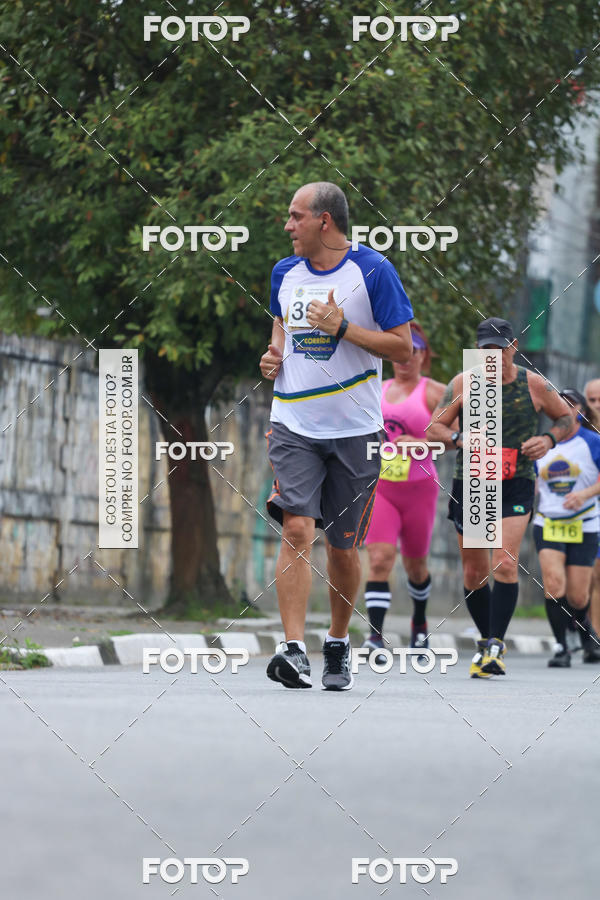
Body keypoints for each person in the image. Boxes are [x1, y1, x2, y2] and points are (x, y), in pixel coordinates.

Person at [259, 182, 414, 690]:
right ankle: (293, 649)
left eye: (295, 216)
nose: (288, 226)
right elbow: (280, 334)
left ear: (324, 222)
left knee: (343, 547)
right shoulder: (285, 272)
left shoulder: (373, 270)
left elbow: (403, 349)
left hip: (356, 430)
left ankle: (339, 642)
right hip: (294, 425)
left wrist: (344, 327)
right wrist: (272, 356)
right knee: (297, 529)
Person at [427, 317, 573, 678]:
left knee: (504, 563)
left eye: (501, 349)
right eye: (487, 350)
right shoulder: (465, 383)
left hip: (516, 481)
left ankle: (495, 643)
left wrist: (549, 440)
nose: (495, 357)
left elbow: (567, 418)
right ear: (479, 351)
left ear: (513, 347)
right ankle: (485, 638)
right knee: (475, 570)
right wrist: (461, 440)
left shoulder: (534, 384)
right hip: (474, 482)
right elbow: (434, 428)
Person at [361, 322, 453, 660]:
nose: (404, 359)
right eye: (399, 352)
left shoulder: (434, 392)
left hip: (419, 490)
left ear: (423, 355)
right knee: (380, 559)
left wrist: (423, 441)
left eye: (413, 352)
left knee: (416, 566)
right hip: (382, 487)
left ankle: (419, 622)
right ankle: (374, 636)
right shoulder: (375, 389)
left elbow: (456, 437)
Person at [533, 388, 600, 666]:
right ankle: (561, 647)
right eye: (559, 403)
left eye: (571, 405)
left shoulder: (592, 442)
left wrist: (584, 495)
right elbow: (533, 479)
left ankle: (586, 634)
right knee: (553, 584)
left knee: (578, 594)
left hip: (584, 524)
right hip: (548, 521)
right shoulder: (540, 443)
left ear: (580, 412)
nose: (564, 409)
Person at [584, 378, 600, 636]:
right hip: (581, 511)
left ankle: (594, 632)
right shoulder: (578, 434)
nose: (597, 405)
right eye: (592, 401)